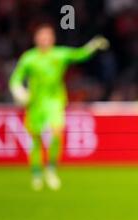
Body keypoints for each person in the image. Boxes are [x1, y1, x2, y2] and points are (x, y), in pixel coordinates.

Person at [9, 24, 109, 190]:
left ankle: (51, 169)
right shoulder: (29, 58)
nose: (45, 40)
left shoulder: (59, 54)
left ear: (52, 39)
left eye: (48, 36)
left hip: (55, 101)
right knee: (36, 139)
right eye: (42, 36)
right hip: (35, 103)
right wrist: (19, 91)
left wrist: (93, 45)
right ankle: (36, 173)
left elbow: (79, 55)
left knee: (57, 131)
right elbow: (15, 78)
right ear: (36, 39)